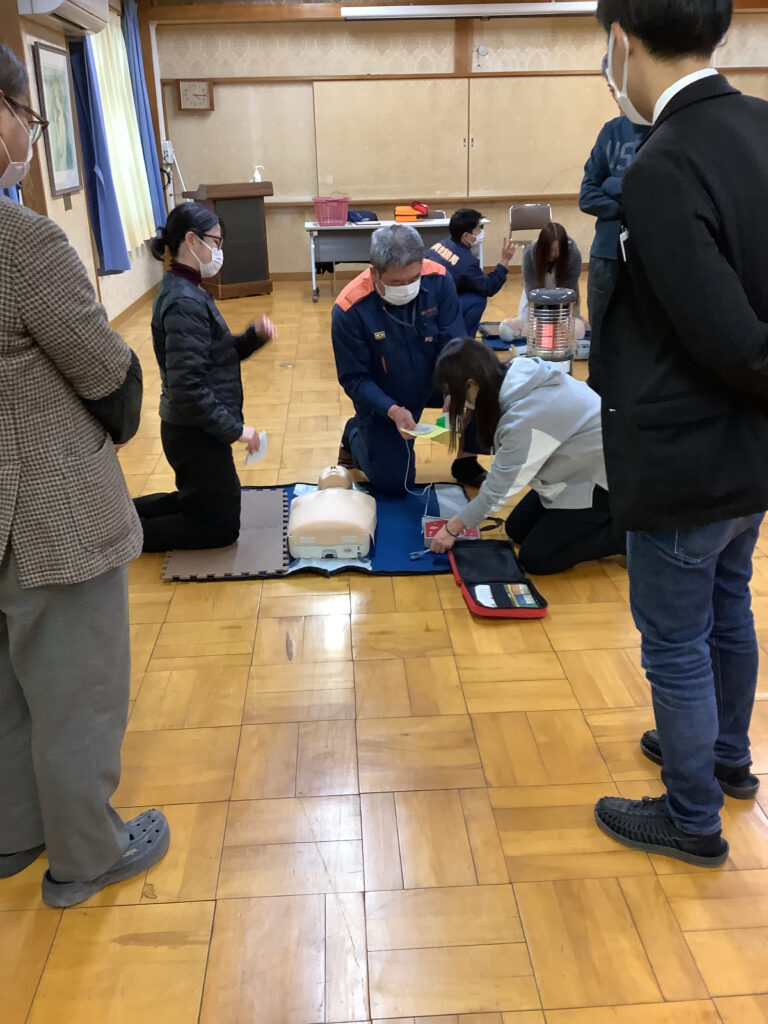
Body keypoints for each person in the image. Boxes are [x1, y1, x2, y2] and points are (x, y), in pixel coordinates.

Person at [590, 0, 768, 868]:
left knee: (675, 642)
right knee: (728, 605)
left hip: (684, 457)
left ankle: (692, 816)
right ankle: (726, 757)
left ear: (620, 41)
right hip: (751, 455)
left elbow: (732, 342)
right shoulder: (761, 125)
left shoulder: (662, 164)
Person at [0, 43, 170, 908]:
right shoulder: (23, 242)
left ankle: (14, 832)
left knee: (7, 687)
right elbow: (105, 372)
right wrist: (126, 407)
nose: (29, 135)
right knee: (77, 693)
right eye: (26, 116)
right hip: (47, 510)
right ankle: (87, 856)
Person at [135, 203, 276, 552]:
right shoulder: (184, 301)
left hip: (195, 427)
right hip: (192, 431)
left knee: (203, 502)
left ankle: (119, 516)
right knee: (219, 528)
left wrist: (252, 338)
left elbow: (215, 356)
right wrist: (237, 431)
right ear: (191, 240)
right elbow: (188, 388)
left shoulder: (187, 287)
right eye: (216, 241)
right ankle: (122, 536)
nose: (219, 250)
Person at [428, 339, 626, 574]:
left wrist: (452, 528)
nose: (452, 400)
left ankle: (626, 535)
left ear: (472, 385)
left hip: (604, 484)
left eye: (453, 392)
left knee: (536, 559)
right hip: (571, 471)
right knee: (516, 529)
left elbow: (496, 491)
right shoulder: (514, 373)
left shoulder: (526, 418)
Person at [332, 224, 487, 494]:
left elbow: (456, 345)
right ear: (374, 273)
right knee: (395, 484)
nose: (406, 288)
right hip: (385, 396)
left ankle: (466, 462)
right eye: (395, 283)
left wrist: (455, 389)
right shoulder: (349, 309)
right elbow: (354, 378)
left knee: (484, 384)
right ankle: (354, 434)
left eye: (413, 278)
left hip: (434, 379)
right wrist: (391, 410)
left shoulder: (439, 279)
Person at [579, 55, 649, 345]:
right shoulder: (610, 131)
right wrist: (629, 205)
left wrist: (610, 184)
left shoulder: (664, 130)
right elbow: (587, 196)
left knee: (644, 339)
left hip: (648, 256)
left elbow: (656, 196)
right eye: (610, 86)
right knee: (601, 337)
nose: (615, 92)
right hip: (605, 253)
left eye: (619, 84)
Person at [428, 208, 517, 338]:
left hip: (428, 304)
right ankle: (464, 341)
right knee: (478, 299)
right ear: (466, 236)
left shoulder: (442, 244)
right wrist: (504, 261)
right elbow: (488, 287)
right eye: (478, 229)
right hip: (438, 311)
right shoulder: (467, 263)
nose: (481, 232)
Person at [515, 222, 582, 329]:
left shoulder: (574, 254)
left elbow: (570, 290)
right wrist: (542, 319)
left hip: (564, 296)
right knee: (528, 329)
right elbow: (531, 290)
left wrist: (560, 317)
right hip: (536, 296)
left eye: (558, 250)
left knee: (572, 329)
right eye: (550, 250)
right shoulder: (529, 254)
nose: (554, 254)